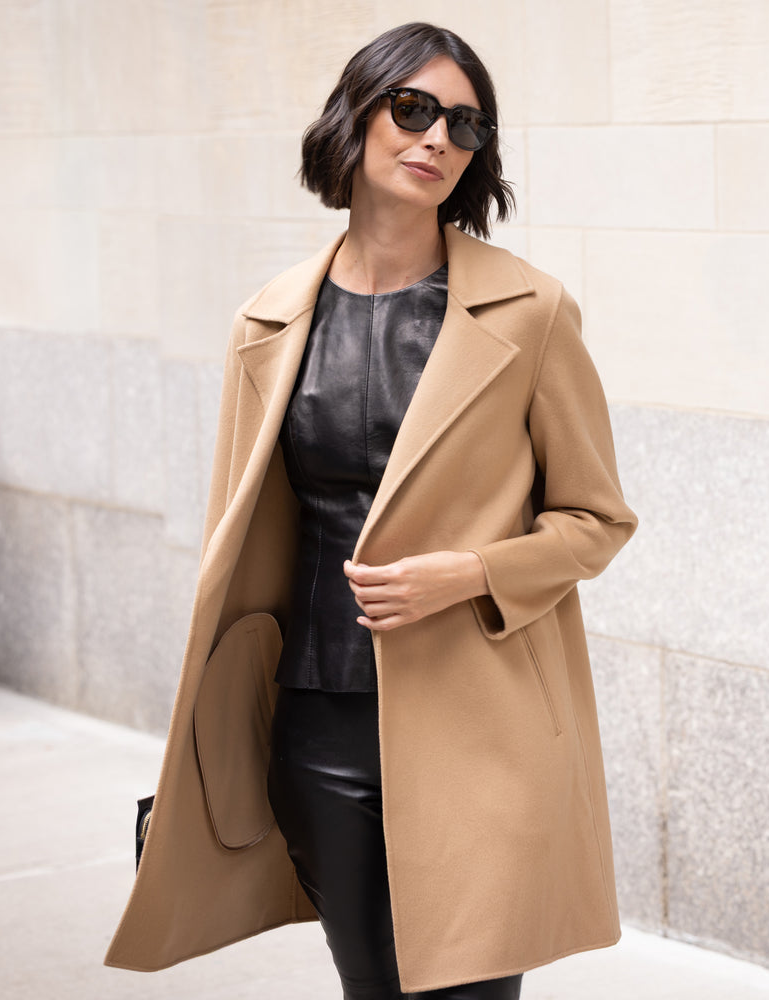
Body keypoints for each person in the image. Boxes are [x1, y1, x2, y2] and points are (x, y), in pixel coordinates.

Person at [105, 21, 637, 1000]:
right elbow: (240, 544)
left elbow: (596, 519)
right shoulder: (267, 321)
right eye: (414, 108)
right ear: (355, 117)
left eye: (465, 124)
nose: (438, 137)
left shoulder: (530, 313)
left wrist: (470, 573)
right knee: (374, 988)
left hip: (481, 724)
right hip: (318, 724)